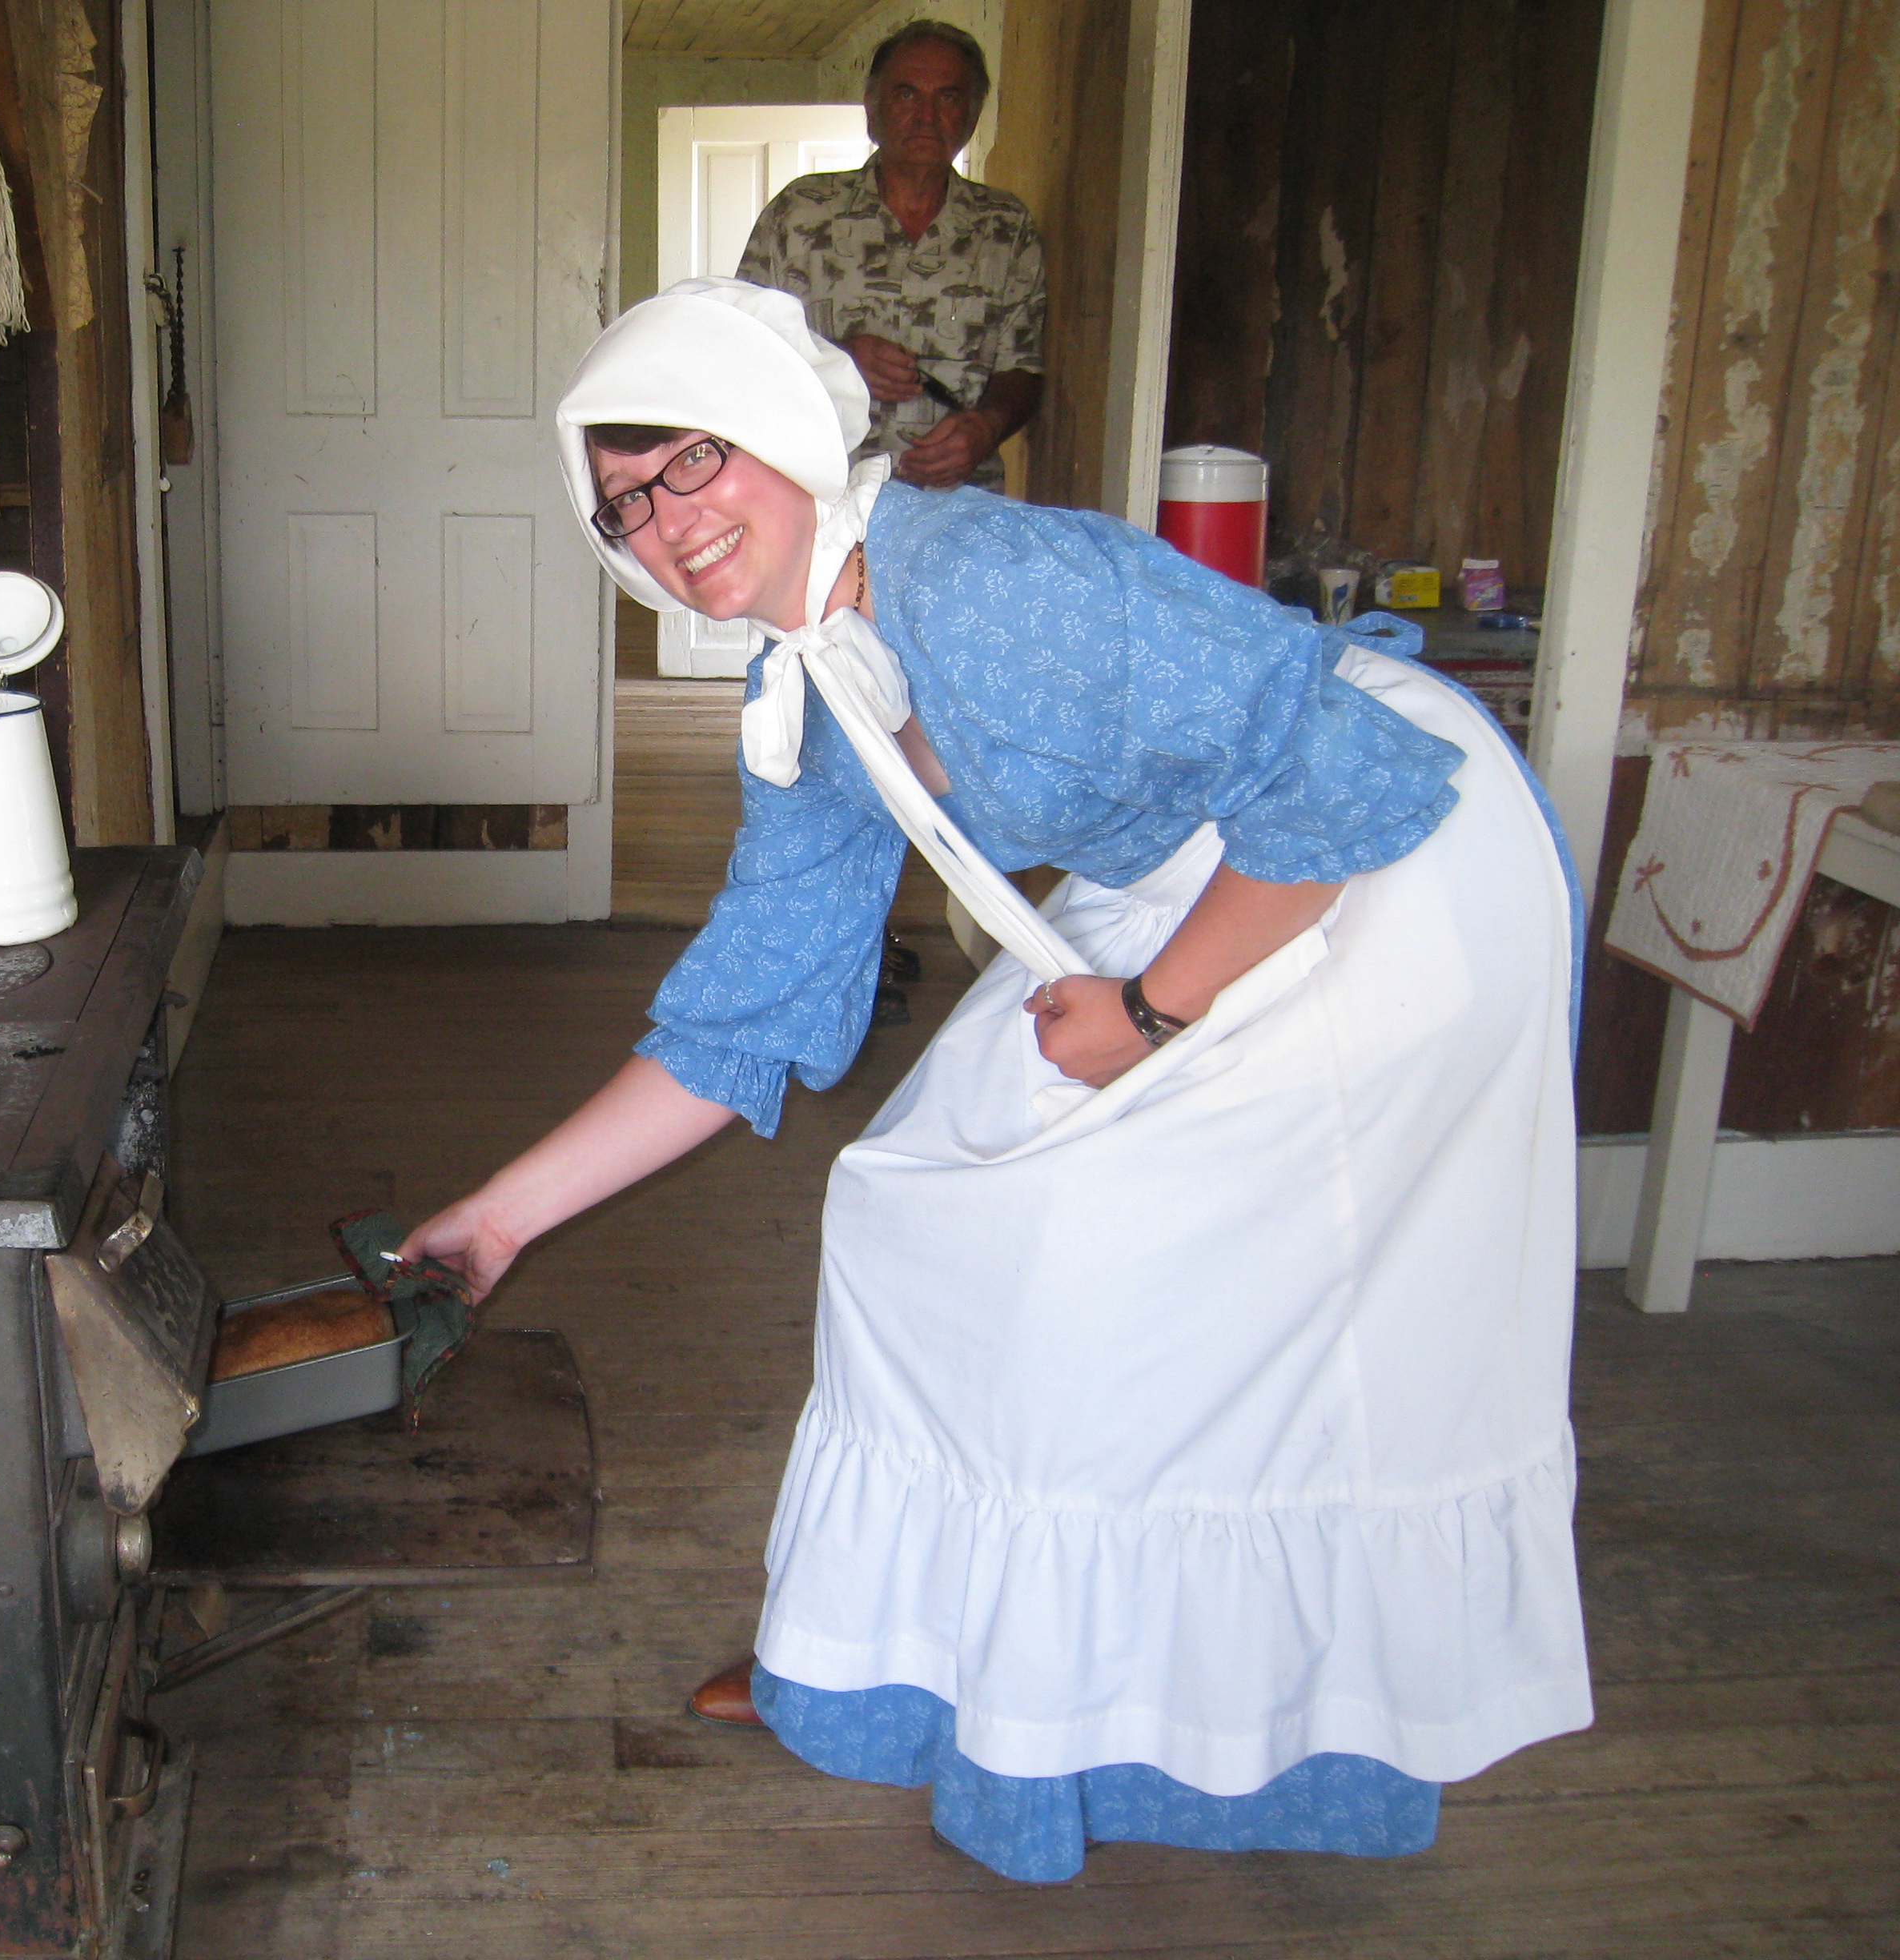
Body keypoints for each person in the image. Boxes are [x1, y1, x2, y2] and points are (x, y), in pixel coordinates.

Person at [400, 279, 1592, 1884]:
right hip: (1217, 865)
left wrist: (1154, 1017)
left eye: (690, 462)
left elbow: (1339, 781)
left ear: (782, 437)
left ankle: (1202, 1721)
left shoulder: (980, 584)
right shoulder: (810, 675)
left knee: (1097, 1260)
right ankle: (907, 1654)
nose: (663, 523)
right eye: (620, 502)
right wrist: (492, 1223)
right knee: (919, 1205)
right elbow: (744, 1019)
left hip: (1384, 868)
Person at [737, 21, 1043, 493]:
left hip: (957, 512)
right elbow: (742, 348)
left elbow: (1023, 366)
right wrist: (835, 359)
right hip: (821, 504)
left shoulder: (1005, 227)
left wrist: (987, 427)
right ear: (872, 109)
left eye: (948, 97)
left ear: (973, 113)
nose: (926, 116)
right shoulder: (799, 215)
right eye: (906, 95)